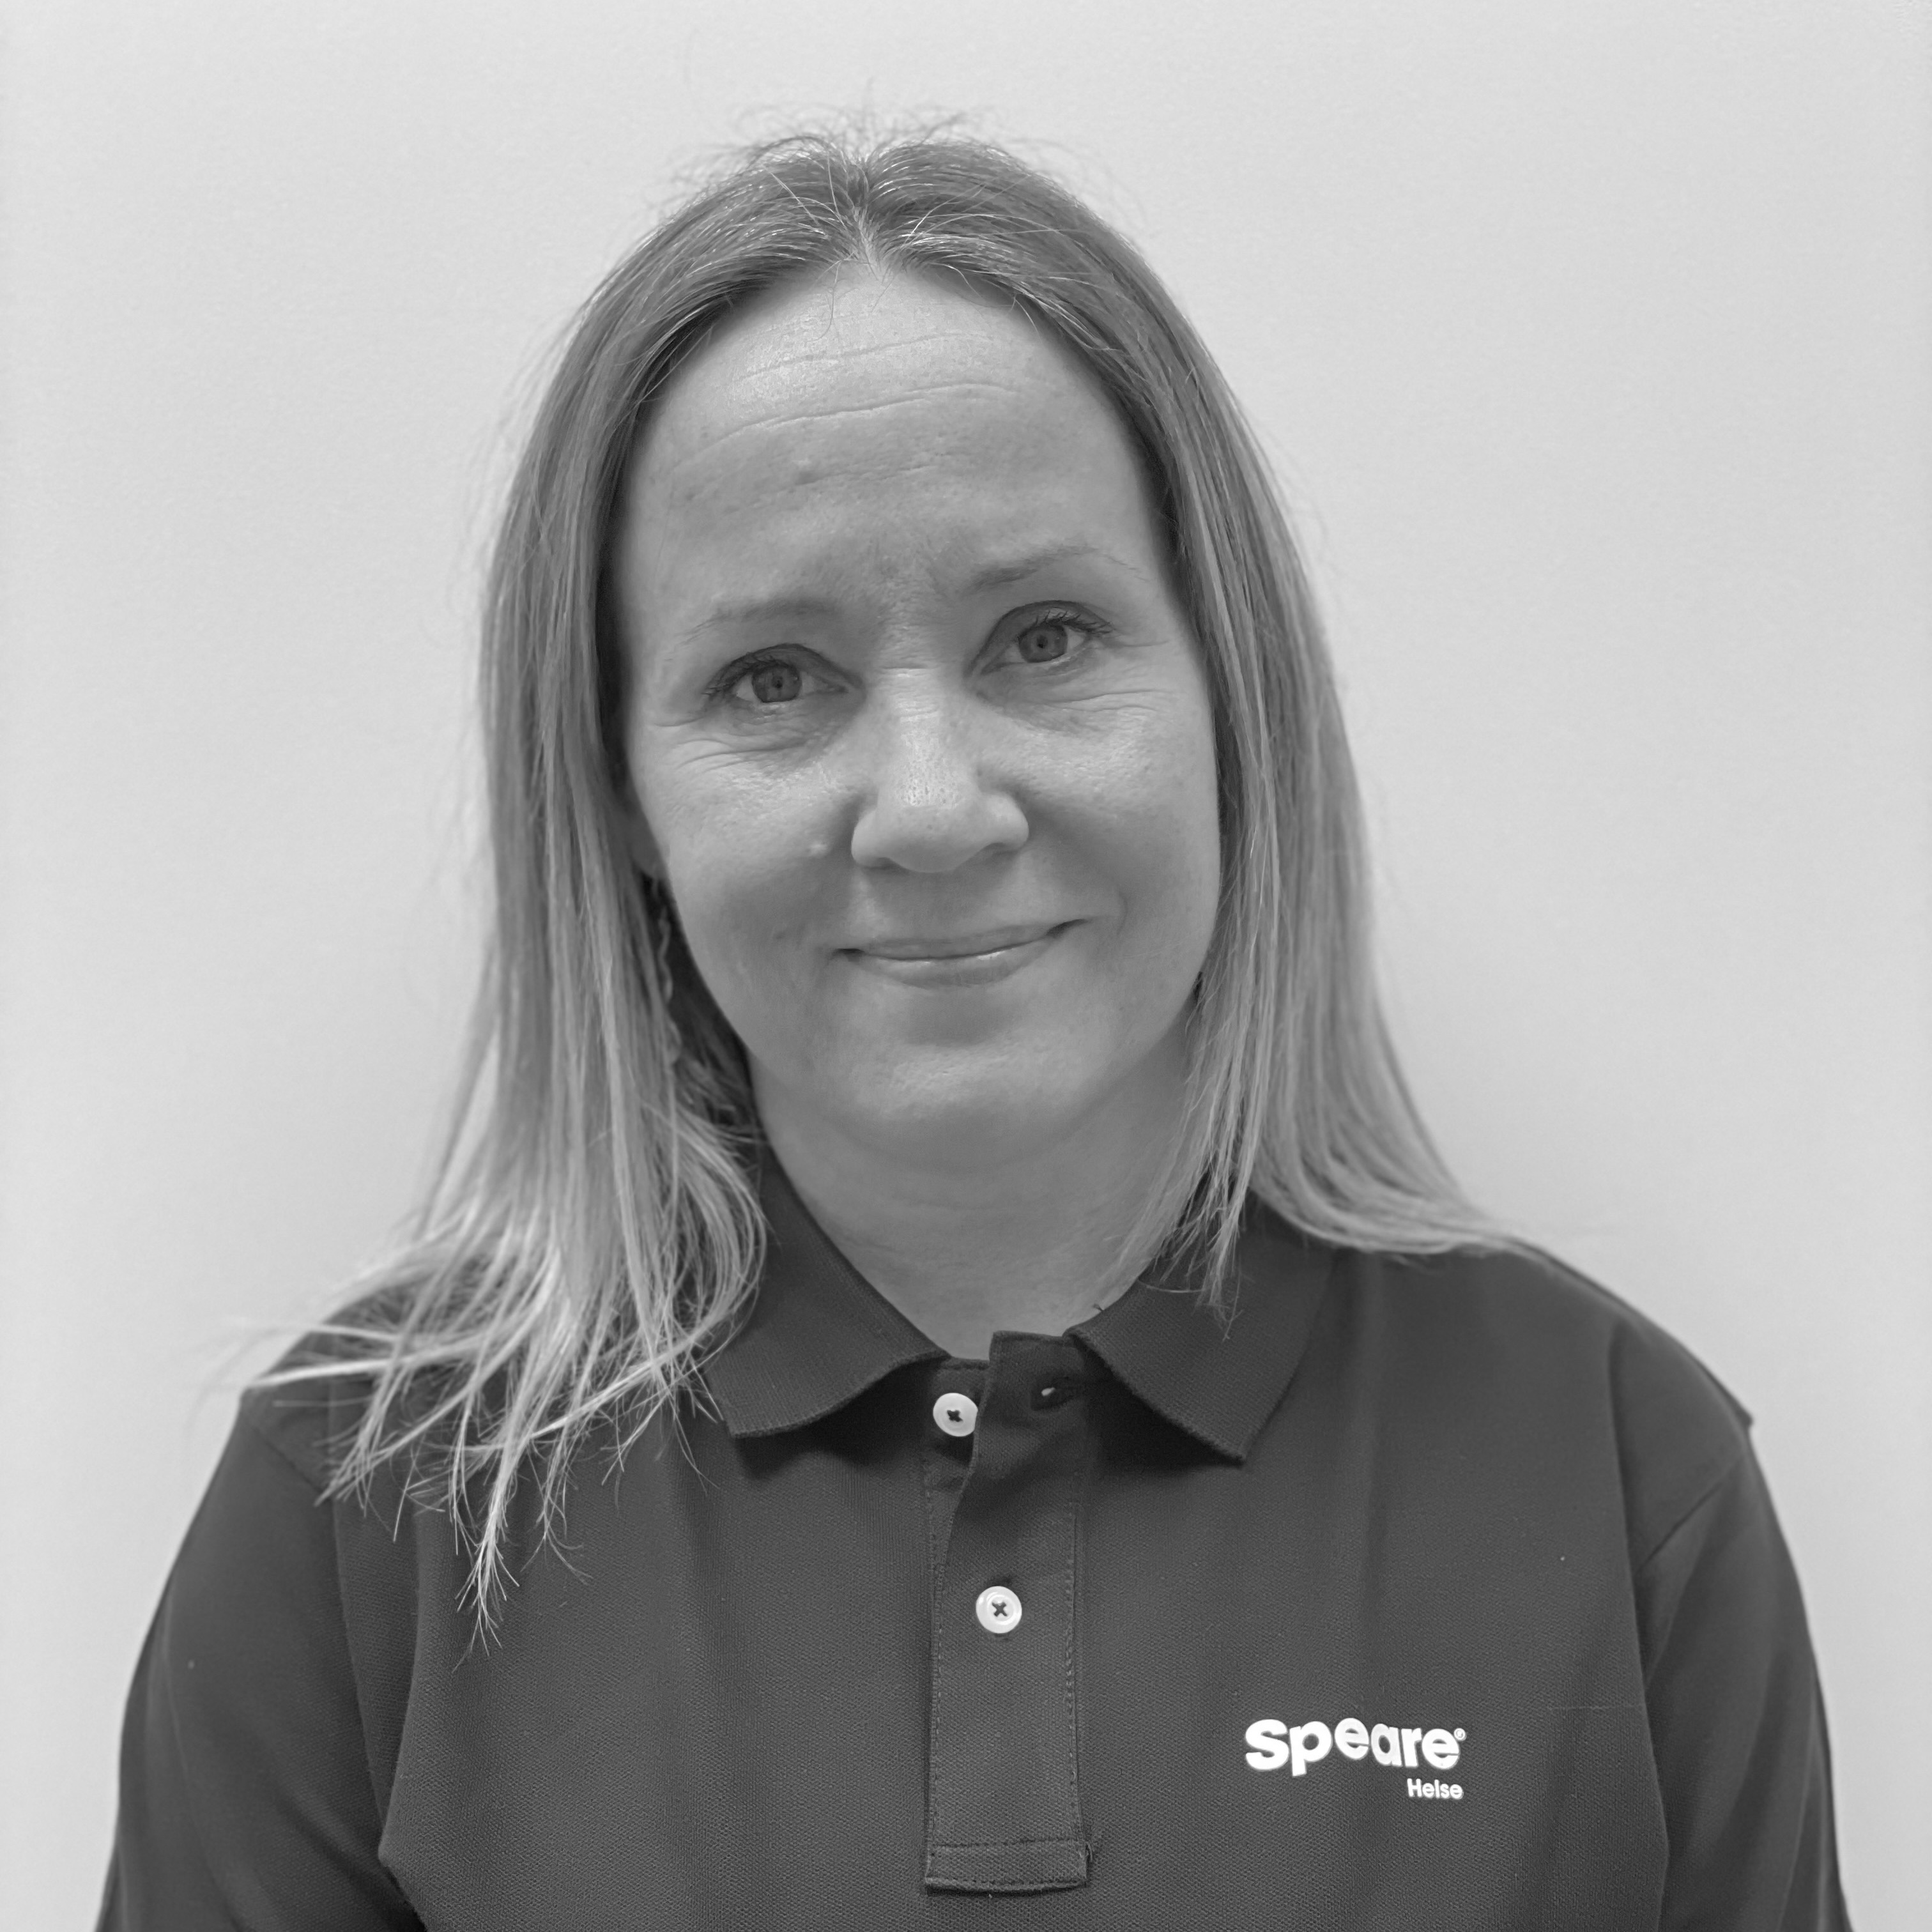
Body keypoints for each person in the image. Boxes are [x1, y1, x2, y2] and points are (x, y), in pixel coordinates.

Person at [98, 130, 1848, 1929]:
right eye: (771, 677)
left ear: (1232, 700)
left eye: (1046, 635)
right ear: (619, 791)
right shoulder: (365, 1504)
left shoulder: (1615, 1468)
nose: (932, 808)